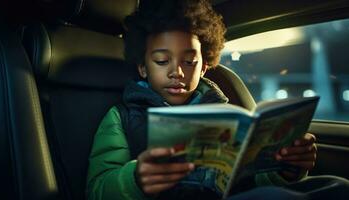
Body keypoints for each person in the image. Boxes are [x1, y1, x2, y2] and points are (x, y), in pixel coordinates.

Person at [86, 0, 348, 200]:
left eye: (189, 62)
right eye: (162, 61)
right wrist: (135, 179)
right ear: (143, 67)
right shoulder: (121, 116)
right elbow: (97, 189)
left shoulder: (225, 112)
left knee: (336, 187)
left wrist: (287, 167)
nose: (177, 71)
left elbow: (248, 180)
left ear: (203, 68)